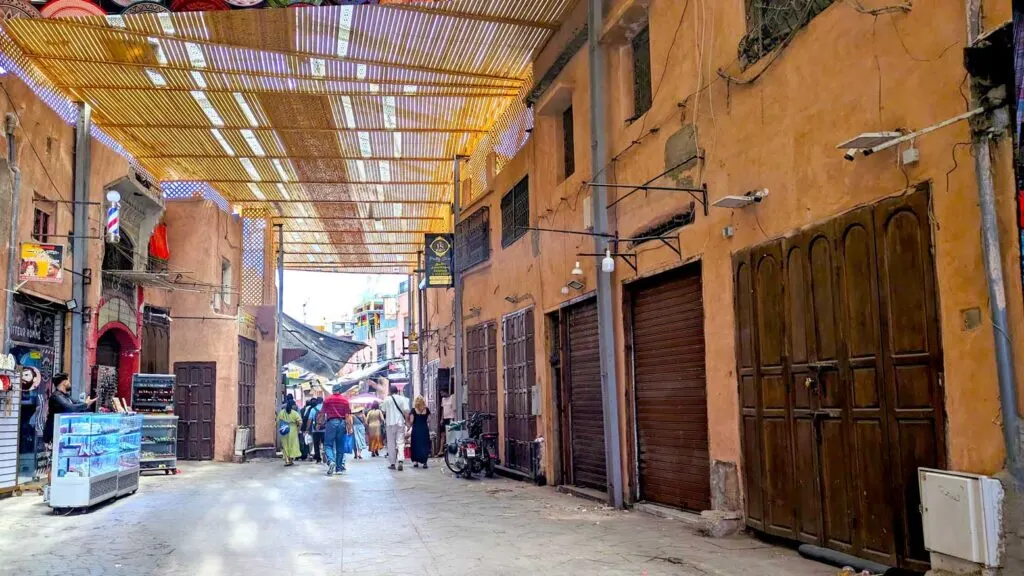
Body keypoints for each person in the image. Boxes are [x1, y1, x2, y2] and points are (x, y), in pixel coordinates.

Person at [43, 373, 95, 445]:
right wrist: (86, 404)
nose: (70, 383)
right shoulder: (56, 396)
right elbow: (70, 408)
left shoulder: (66, 396)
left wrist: (87, 406)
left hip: (62, 433)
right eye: (69, 381)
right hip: (54, 435)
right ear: (64, 382)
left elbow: (77, 404)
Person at [320, 384, 353, 476]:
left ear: (333, 390)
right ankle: (338, 469)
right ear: (340, 390)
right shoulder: (345, 401)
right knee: (340, 446)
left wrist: (319, 424)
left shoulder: (327, 400)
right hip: (342, 423)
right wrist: (349, 428)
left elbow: (322, 413)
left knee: (328, 444)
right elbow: (348, 416)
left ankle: (331, 461)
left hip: (331, 423)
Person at [381, 385, 411, 471]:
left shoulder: (387, 399)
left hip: (390, 424)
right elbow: (406, 411)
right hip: (400, 423)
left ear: (390, 391)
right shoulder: (402, 399)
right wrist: (407, 421)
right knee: (400, 442)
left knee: (391, 444)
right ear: (397, 391)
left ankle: (393, 463)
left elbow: (383, 411)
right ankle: (400, 460)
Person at [277, 398, 301, 466]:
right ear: (293, 405)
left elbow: (278, 421)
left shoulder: (282, 412)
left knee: (285, 445)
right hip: (292, 429)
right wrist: (298, 429)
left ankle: (287, 460)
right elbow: (299, 422)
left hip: (284, 429)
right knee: (292, 445)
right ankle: (290, 459)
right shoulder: (294, 413)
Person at [409, 395, 431, 469]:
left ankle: (415, 462)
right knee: (424, 445)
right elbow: (429, 420)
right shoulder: (427, 410)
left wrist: (409, 425)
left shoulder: (413, 410)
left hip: (416, 430)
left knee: (415, 445)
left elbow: (411, 421)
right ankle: (425, 462)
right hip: (424, 429)